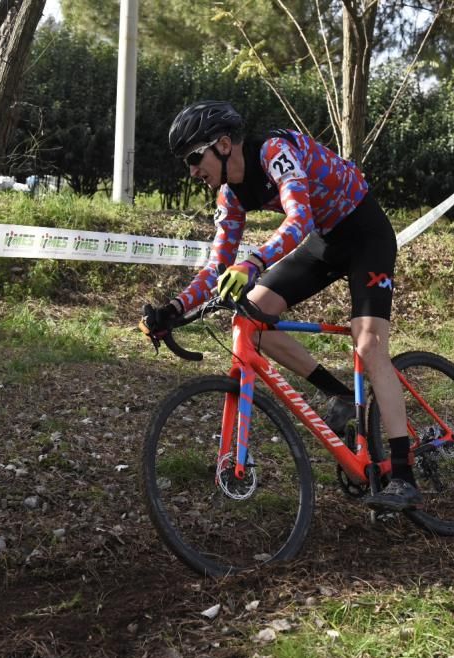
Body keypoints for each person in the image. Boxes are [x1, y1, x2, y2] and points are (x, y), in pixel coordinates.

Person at [143, 100, 420, 510]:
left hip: (365, 233)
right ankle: (342, 394)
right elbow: (217, 265)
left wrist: (253, 262)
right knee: (253, 315)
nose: (193, 171)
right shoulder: (230, 196)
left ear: (222, 144)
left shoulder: (274, 152)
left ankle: (403, 475)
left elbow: (299, 218)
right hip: (325, 241)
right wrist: (174, 309)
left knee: (369, 345)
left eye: (194, 158)